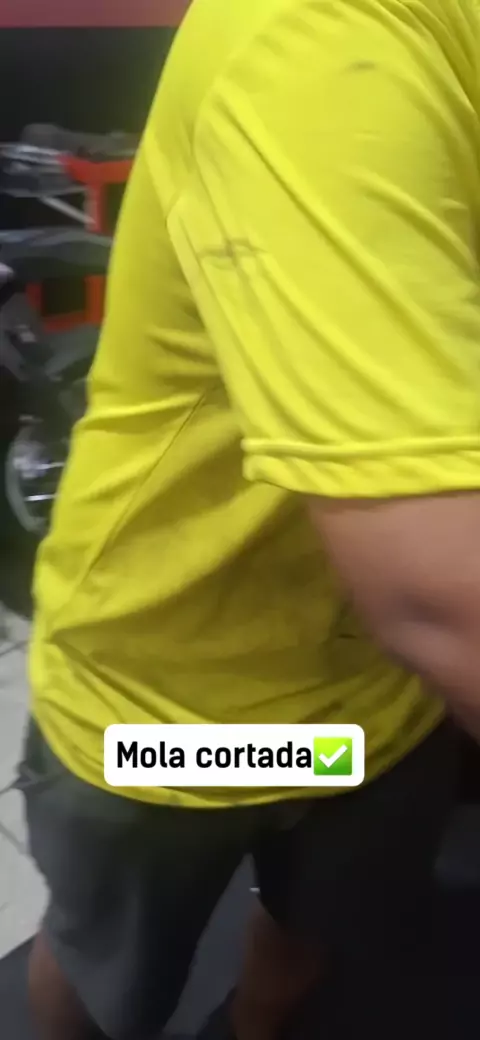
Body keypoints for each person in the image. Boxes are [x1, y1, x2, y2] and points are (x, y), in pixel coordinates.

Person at [18, 0, 480, 1037]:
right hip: (175, 716)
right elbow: (443, 597)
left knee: (311, 925)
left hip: (369, 712)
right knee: (106, 973)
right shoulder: (321, 42)